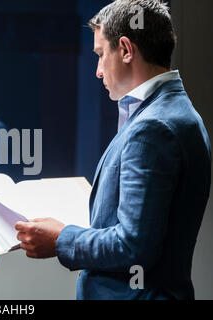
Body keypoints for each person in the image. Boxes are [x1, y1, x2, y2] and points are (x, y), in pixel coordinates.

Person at [15, 0, 211, 300]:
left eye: (100, 54)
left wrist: (61, 238)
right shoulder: (173, 111)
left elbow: (133, 246)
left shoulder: (153, 127)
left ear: (125, 49)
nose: (97, 70)